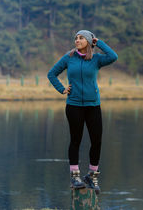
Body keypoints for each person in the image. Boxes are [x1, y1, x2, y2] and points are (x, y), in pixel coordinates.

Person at [47, 30, 118, 194]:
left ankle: (92, 176)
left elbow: (113, 56)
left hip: (93, 105)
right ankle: (75, 176)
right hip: (74, 105)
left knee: (97, 140)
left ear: (88, 40)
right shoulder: (69, 57)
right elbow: (52, 74)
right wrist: (62, 89)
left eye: (81, 38)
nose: (77, 40)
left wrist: (98, 42)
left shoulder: (96, 59)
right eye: (76, 38)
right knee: (75, 140)